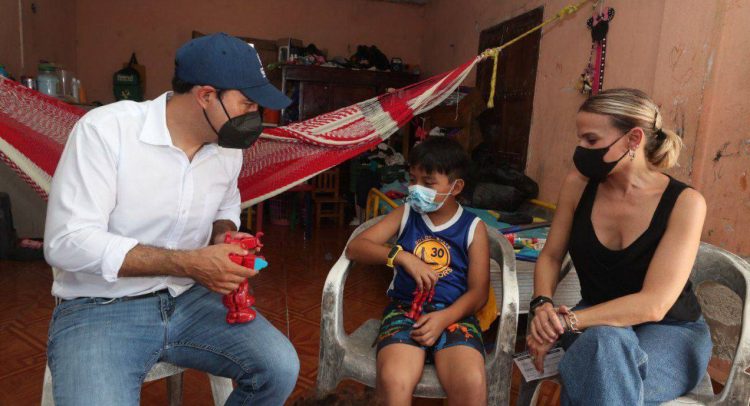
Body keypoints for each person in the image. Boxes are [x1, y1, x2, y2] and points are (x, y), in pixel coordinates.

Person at [44, 33, 299, 405]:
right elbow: (66, 243)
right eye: (247, 104)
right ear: (206, 95)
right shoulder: (106, 131)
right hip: (100, 307)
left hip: (189, 301)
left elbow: (226, 206)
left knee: (279, 368)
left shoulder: (227, 150)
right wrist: (189, 263)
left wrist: (224, 237)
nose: (255, 117)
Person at [527, 88, 712, 405]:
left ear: (633, 139)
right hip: (595, 322)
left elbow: (653, 305)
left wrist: (565, 321)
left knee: (597, 369)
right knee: (605, 348)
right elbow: (551, 256)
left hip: (671, 332)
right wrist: (542, 305)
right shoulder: (578, 185)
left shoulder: (685, 203)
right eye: (580, 139)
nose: (581, 150)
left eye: (592, 140)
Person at [346, 136, 490, 405]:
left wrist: (444, 318)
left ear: (456, 186)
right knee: (394, 380)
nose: (415, 188)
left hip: (455, 315)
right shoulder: (405, 214)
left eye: (428, 182)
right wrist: (400, 256)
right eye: (412, 179)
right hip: (405, 312)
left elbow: (479, 292)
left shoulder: (473, 227)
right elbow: (356, 248)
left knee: (471, 382)